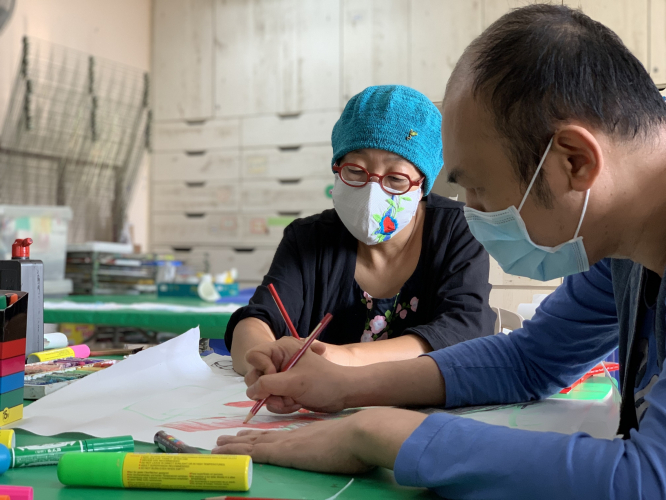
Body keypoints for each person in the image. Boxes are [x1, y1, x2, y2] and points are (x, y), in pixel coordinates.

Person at [213, 5, 666, 498]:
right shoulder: (625, 250)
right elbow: (532, 359)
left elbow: (644, 480)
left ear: (574, 161)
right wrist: (345, 387)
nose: (471, 212)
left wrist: (378, 434)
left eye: (478, 189)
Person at [226, 85, 495, 374]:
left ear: (422, 185)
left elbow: (464, 330)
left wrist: (342, 358)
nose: (372, 193)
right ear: (336, 168)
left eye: (395, 178)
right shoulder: (308, 238)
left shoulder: (459, 229)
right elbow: (257, 320)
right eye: (355, 171)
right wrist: (263, 357)